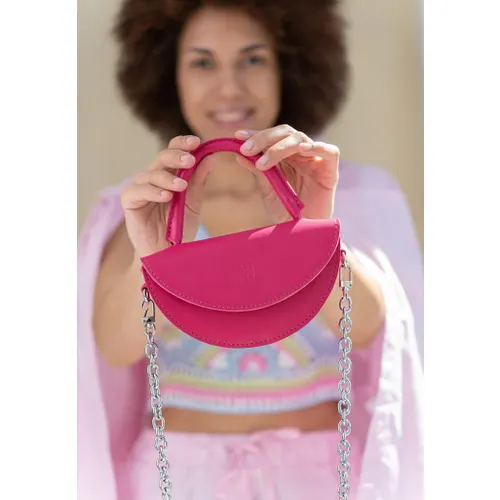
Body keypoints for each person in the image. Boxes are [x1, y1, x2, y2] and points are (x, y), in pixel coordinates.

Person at [77, 1, 424, 499]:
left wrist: (312, 229)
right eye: (202, 61)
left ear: (290, 68)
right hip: (181, 480)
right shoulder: (139, 208)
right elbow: (113, 347)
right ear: (168, 74)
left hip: (317, 479)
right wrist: (155, 256)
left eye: (253, 58)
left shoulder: (350, 194)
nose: (229, 87)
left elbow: (370, 329)